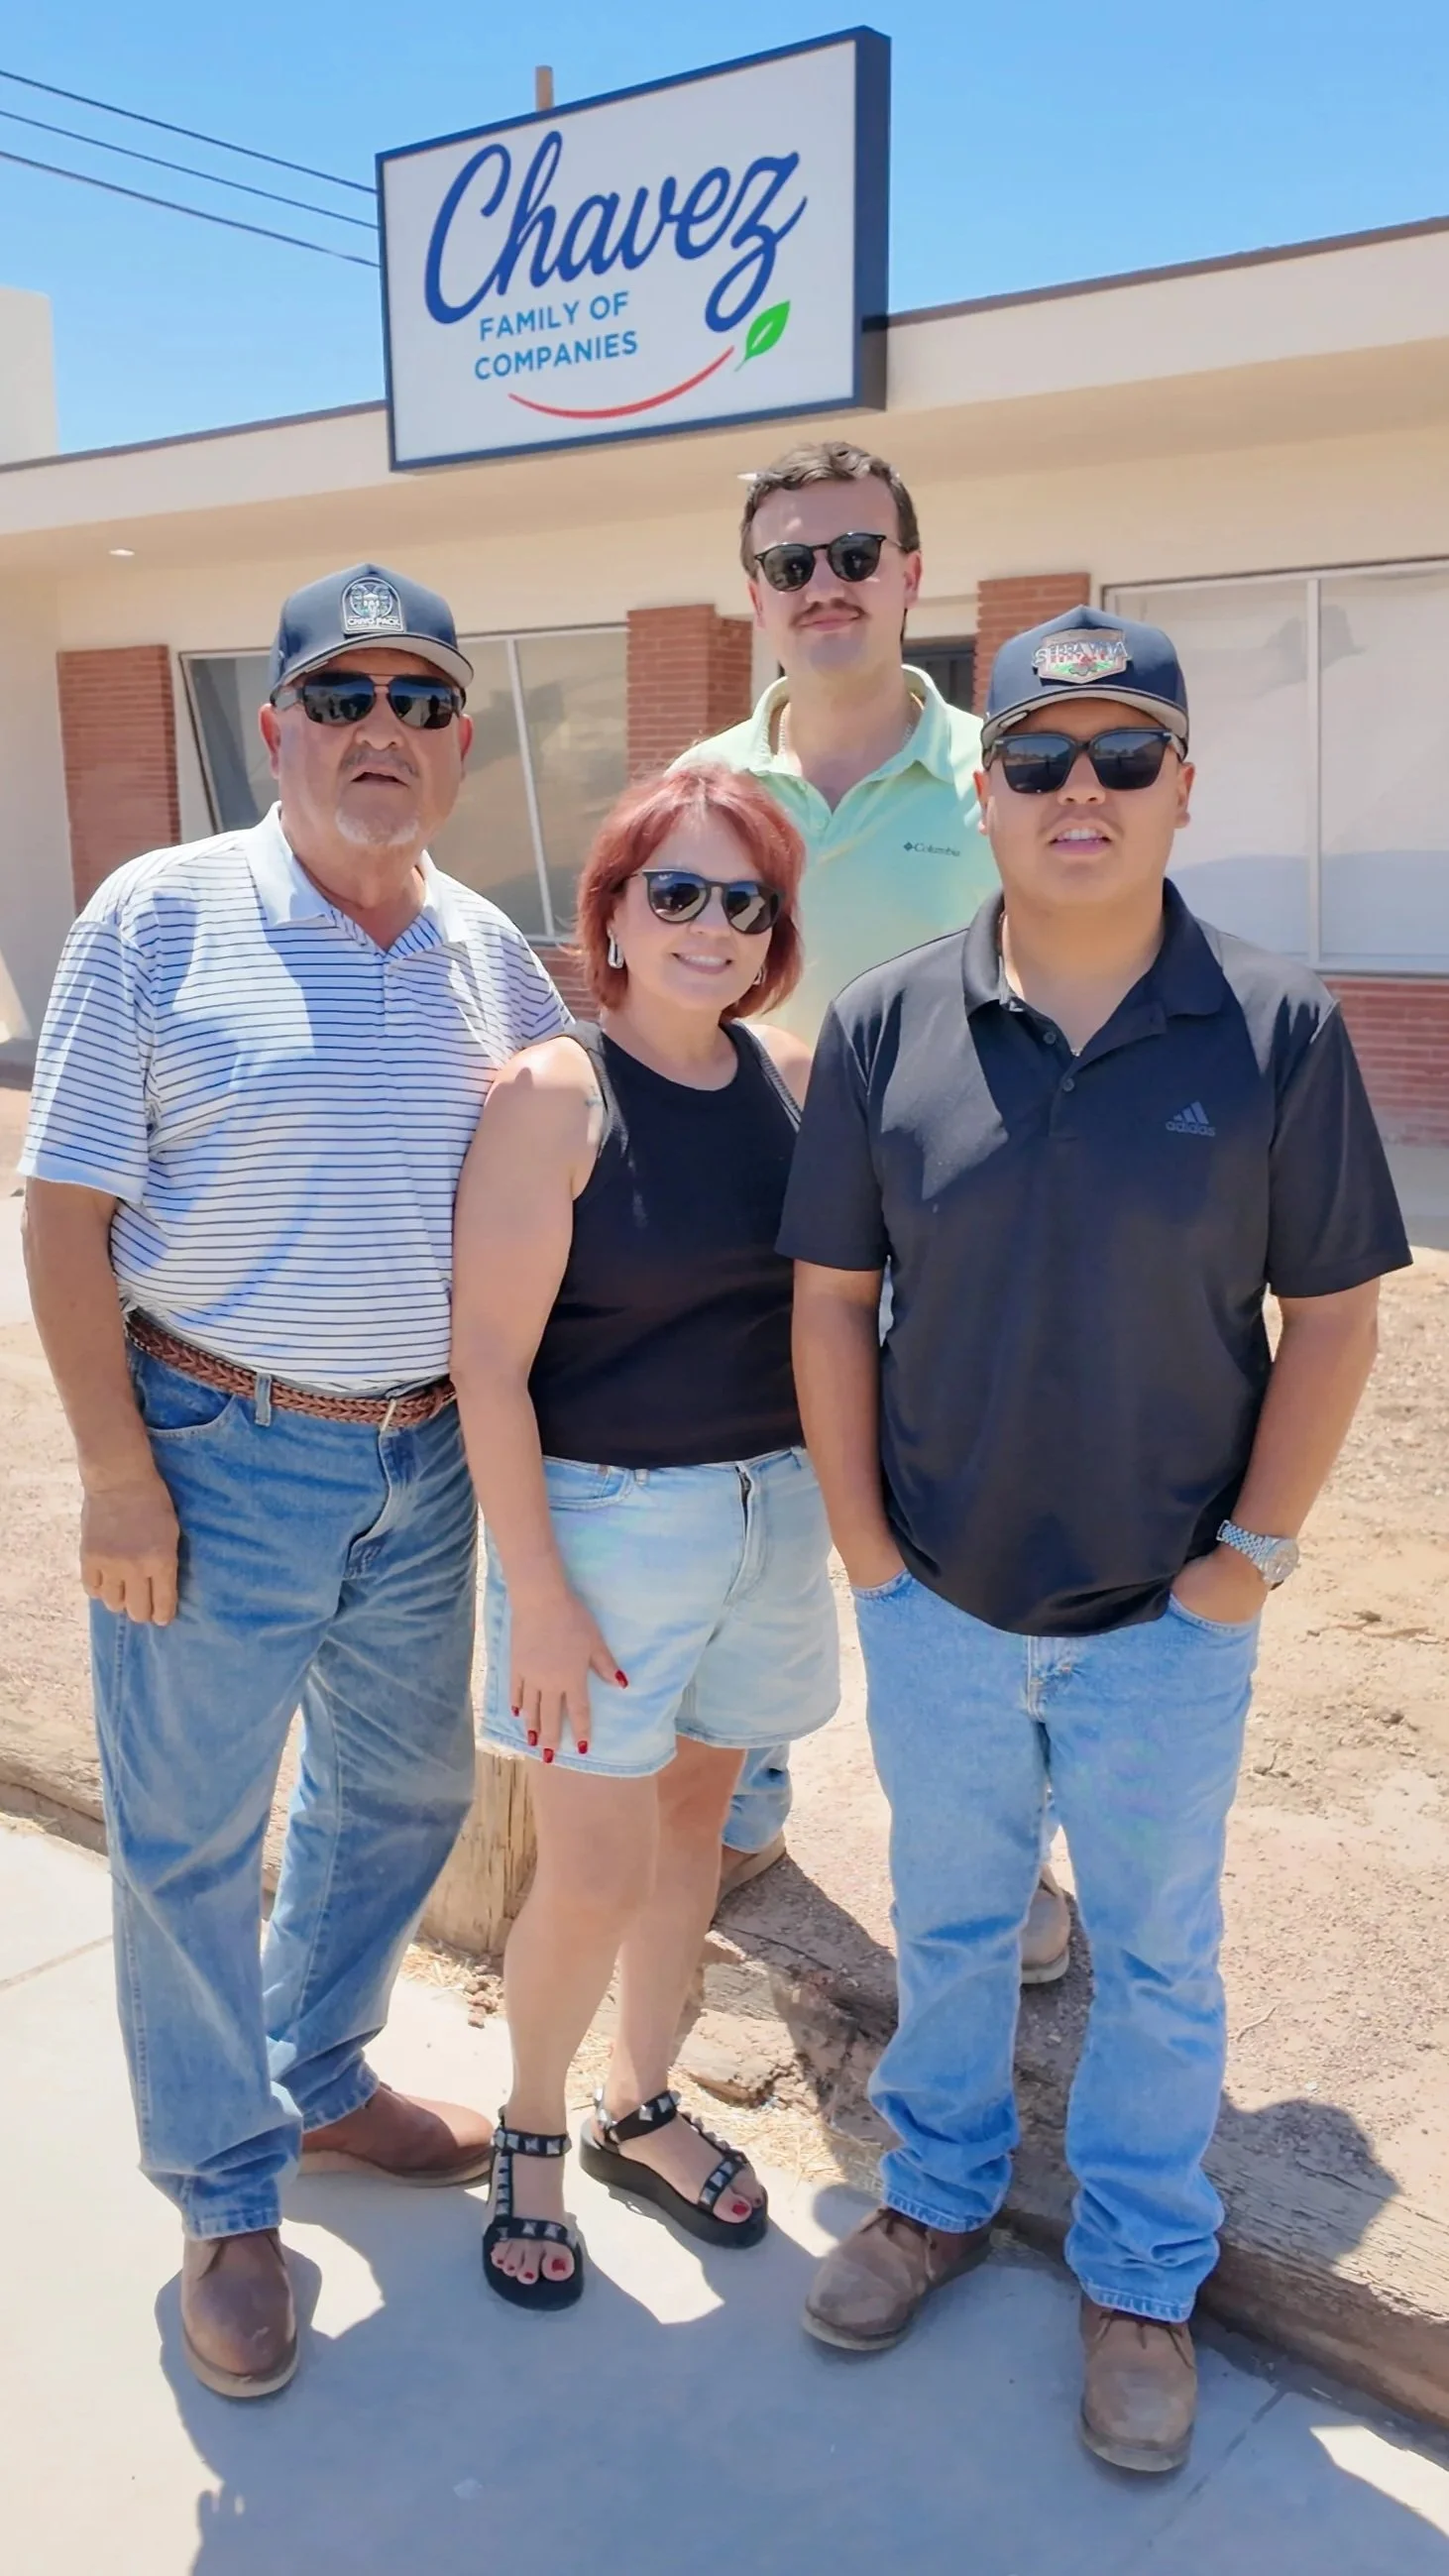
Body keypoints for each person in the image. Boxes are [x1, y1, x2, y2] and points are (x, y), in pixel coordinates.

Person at [778, 606, 1410, 2470]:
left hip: (1164, 1618)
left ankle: (1140, 2276)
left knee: (1153, 1955)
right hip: (939, 1599)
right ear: (983, 792)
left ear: (1183, 789)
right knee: (953, 1926)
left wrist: (1249, 1564)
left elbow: (1343, 1317)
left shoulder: (1276, 1024)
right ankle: (939, 2195)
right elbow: (827, 1302)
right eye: (1041, 758)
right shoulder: (887, 1016)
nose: (1081, 791)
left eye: (1124, 757)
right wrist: (866, 1554)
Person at [21, 564, 569, 2400]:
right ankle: (224, 2188)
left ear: (460, 746)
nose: (381, 732)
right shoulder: (157, 915)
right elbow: (66, 1212)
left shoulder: (490, 951)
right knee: (188, 1839)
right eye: (344, 695)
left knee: (402, 1794)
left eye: (421, 702)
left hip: (425, 1459)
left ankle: (318, 2070)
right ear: (274, 729)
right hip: (213, 1443)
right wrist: (117, 1476)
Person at [450, 763, 836, 2310]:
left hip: (770, 1514)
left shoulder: (794, 1078)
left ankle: (640, 2097)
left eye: (742, 900)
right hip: (606, 1531)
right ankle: (531, 2124)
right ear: (608, 912)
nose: (709, 924)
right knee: (594, 1867)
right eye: (672, 889)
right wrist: (534, 1590)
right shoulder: (555, 1093)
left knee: (700, 1838)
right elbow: (485, 1358)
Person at [685, 442, 1065, 1976]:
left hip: (966, 1257)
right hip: (747, 1256)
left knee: (979, 1569)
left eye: (854, 552)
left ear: (913, 574)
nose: (823, 583)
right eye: (790, 561)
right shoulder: (697, 795)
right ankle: (743, 1808)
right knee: (759, 1537)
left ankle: (1005, 1869)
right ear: (755, 596)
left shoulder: (1012, 775)